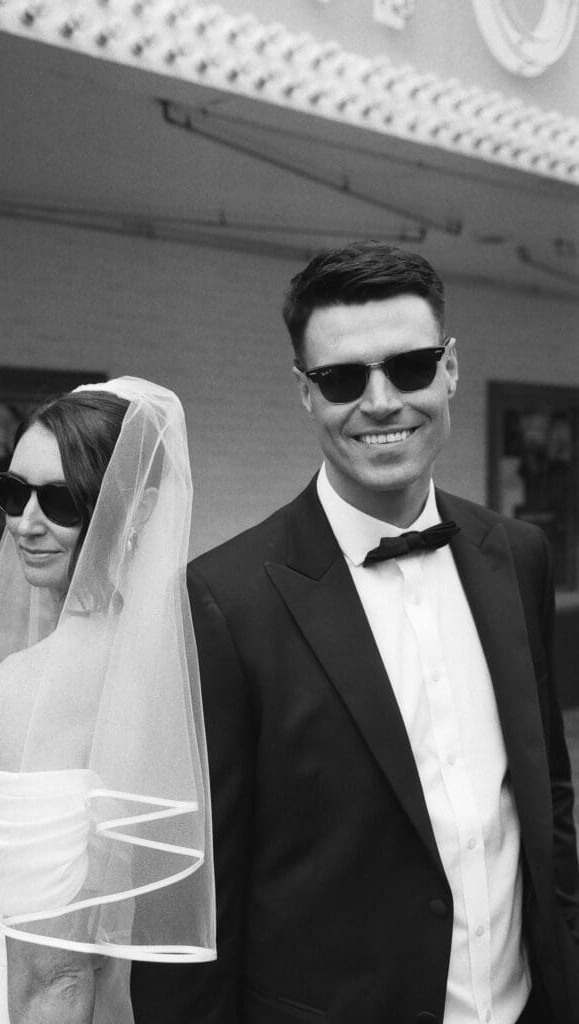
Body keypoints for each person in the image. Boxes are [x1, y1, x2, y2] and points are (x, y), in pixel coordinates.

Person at [131, 244, 579, 1024]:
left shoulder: (518, 555)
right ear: (304, 393)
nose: (379, 403)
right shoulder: (222, 601)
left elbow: (546, 796)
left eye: (407, 368)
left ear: (449, 369)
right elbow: (194, 899)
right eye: (342, 378)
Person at [0, 377, 215, 1023]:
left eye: (63, 501)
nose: (26, 522)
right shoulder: (156, 670)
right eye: (12, 492)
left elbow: (54, 974)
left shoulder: (28, 687)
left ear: (135, 511)